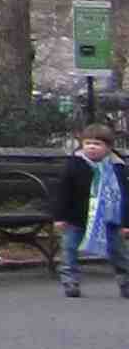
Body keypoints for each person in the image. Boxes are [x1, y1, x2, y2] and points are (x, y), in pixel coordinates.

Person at [55, 122, 121, 297]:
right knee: (69, 249)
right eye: (88, 143)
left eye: (97, 144)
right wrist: (60, 217)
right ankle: (70, 282)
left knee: (118, 252)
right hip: (76, 217)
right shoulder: (74, 165)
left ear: (109, 147)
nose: (91, 147)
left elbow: (124, 195)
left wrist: (126, 222)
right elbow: (63, 192)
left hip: (108, 218)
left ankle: (126, 282)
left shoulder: (117, 166)